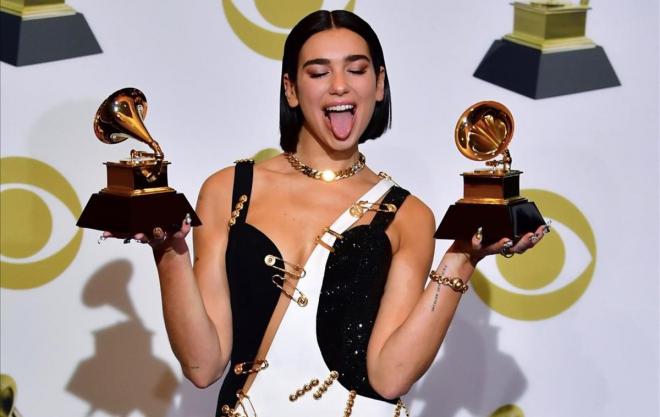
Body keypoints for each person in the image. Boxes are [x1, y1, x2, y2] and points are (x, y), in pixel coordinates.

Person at [111, 9, 547, 417]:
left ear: (379, 85)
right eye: (319, 72)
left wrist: (462, 258)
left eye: (356, 70)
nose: (339, 85)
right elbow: (203, 367)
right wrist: (169, 251)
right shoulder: (227, 190)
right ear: (291, 89)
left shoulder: (408, 214)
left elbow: (390, 375)